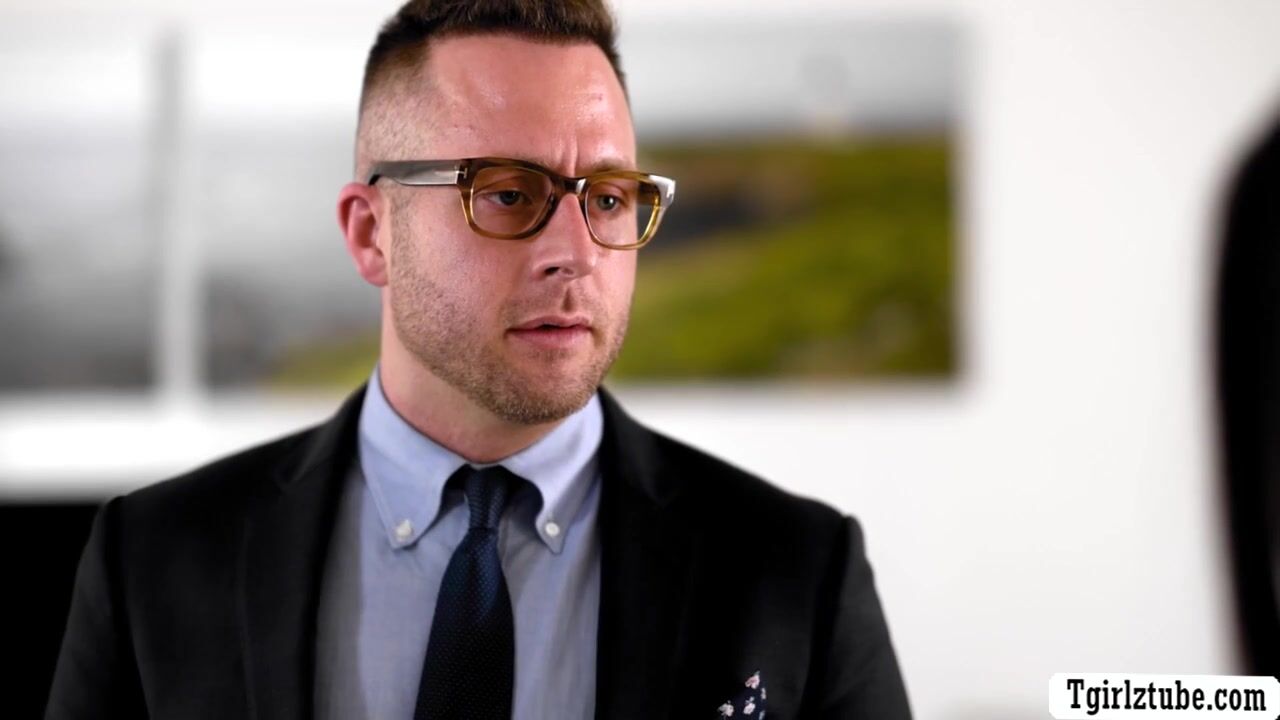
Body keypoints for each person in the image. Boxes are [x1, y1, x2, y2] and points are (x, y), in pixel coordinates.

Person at [46, 1, 912, 718]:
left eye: (610, 198)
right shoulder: (151, 560)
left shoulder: (798, 571)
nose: (576, 253)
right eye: (506, 193)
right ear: (371, 233)